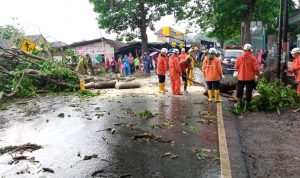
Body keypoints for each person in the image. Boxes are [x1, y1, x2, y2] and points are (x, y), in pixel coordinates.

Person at [235, 44, 260, 110]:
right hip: (250, 78)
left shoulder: (239, 57)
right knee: (249, 92)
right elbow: (256, 69)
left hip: (241, 77)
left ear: (244, 50)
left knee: (239, 90)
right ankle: (246, 107)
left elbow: (236, 67)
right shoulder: (253, 58)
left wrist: (241, 70)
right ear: (250, 50)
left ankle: (238, 105)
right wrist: (257, 74)